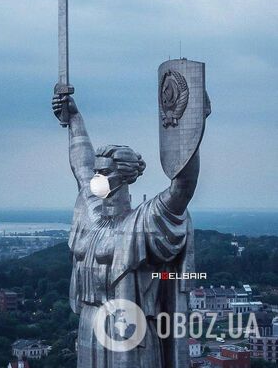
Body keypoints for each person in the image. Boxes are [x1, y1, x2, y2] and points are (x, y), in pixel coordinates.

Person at [51, 93, 209, 367]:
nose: (96, 178)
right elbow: (81, 165)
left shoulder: (142, 222)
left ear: (123, 178)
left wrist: (192, 129)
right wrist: (74, 118)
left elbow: (183, 188)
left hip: (129, 330)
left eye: (103, 173)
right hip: (90, 324)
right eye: (97, 172)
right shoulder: (91, 214)